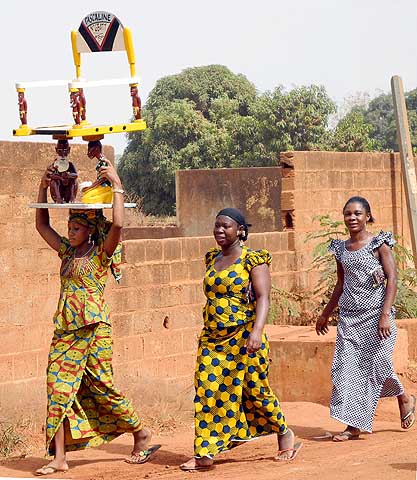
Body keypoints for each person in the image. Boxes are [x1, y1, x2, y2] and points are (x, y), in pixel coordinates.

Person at [35, 160, 159, 475]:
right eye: (69, 228)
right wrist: (42, 185)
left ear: (89, 230)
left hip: (95, 332)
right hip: (65, 332)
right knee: (57, 387)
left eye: (76, 228)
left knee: (102, 386)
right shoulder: (65, 251)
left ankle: (140, 432)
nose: (70, 232)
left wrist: (116, 184)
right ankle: (59, 458)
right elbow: (41, 225)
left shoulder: (100, 254)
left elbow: (117, 226)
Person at [180, 208, 302, 471]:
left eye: (226, 226)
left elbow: (263, 298)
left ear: (240, 231)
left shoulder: (253, 260)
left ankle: (284, 433)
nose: (220, 231)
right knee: (206, 390)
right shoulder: (212, 258)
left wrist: (256, 332)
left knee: (255, 391)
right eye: (216, 226)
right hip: (213, 338)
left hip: (244, 337)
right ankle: (205, 452)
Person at [316, 196, 416, 441]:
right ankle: (354, 426)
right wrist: (326, 313)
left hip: (377, 317)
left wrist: (385, 314)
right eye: (348, 214)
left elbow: (392, 278)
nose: (352, 218)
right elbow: (341, 284)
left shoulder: (379, 244)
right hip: (350, 319)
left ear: (368, 216)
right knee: (347, 370)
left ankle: (404, 396)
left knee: (378, 364)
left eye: (358, 213)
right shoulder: (340, 249)